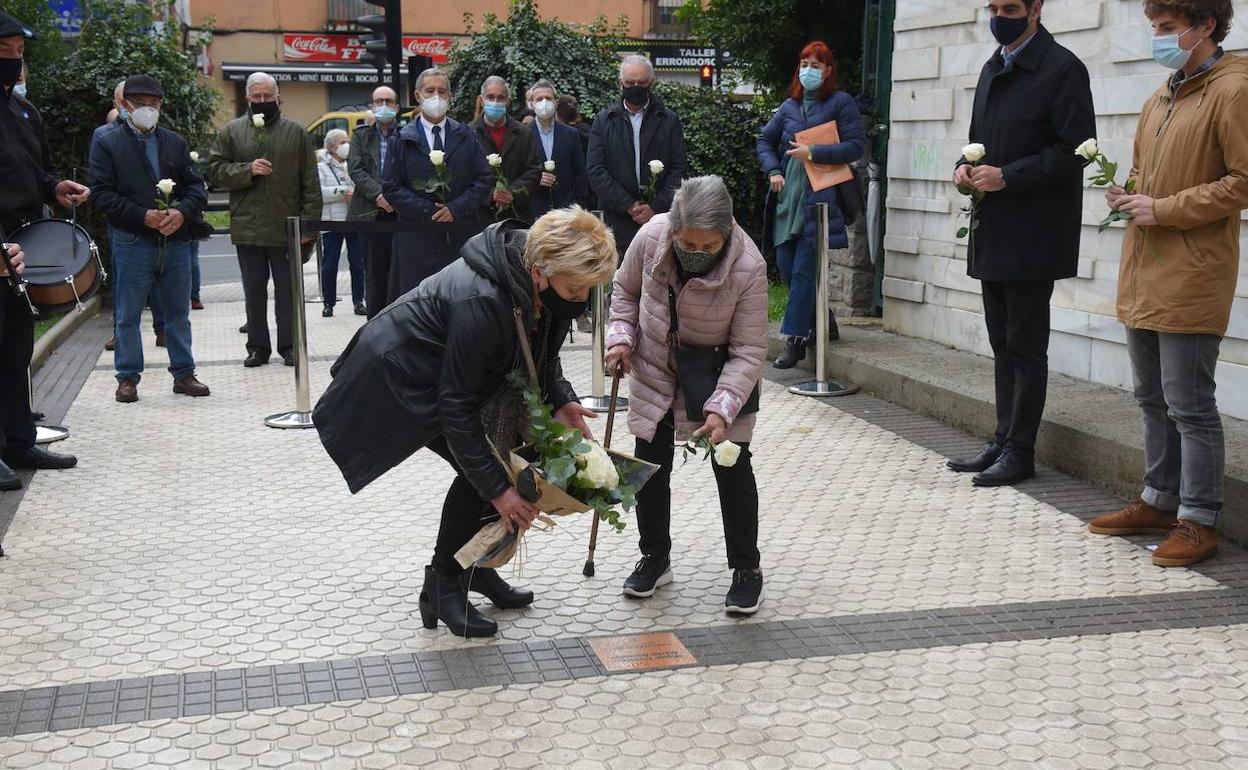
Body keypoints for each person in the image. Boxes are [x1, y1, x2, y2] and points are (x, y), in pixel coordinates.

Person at [313, 207, 615, 637]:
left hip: (445, 374)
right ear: (539, 271)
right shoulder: (484, 301)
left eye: (589, 290)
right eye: (574, 290)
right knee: (484, 474)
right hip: (401, 379)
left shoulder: (538, 281)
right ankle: (443, 585)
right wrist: (499, 492)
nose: (581, 300)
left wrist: (562, 399)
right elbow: (455, 408)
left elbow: (542, 349)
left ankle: (474, 567)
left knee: (494, 467)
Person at [1088, 0, 1247, 567]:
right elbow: (1146, 175)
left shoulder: (1234, 89)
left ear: (1205, 27)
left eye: (1166, 28)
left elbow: (1243, 181)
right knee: (1151, 397)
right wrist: (1127, 192)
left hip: (1193, 270)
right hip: (1144, 266)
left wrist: (1167, 208)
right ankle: (1159, 500)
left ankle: (1200, 521)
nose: (1156, 38)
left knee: (1190, 405)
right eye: (1154, 26)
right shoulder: (1161, 96)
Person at [944, 0, 1095, 488]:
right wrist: (964, 170)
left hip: (1034, 233)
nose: (998, 16)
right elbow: (978, 140)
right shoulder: (993, 65)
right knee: (1001, 342)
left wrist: (1008, 176)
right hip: (994, 228)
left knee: (1027, 346)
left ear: (1036, 9)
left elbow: (1075, 152)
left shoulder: (1063, 68)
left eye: (1009, 7)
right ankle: (1002, 437)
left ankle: (1020, 450)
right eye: (992, 7)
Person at [605, 176, 768, 614]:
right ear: (672, 230)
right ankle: (655, 558)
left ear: (727, 233)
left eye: (707, 247)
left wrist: (721, 408)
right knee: (648, 466)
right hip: (656, 364)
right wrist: (620, 338)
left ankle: (747, 569)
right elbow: (625, 292)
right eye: (686, 243)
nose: (694, 254)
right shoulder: (652, 234)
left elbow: (750, 350)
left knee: (733, 467)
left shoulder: (748, 265)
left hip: (719, 372)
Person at [0, 11, 85, 491]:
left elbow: (41, 172)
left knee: (15, 349)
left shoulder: (25, 112)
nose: (14, 61)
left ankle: (18, 440)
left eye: (19, 52)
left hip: (23, 244)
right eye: (4, 51)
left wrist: (57, 188)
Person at [89, 75, 210, 403]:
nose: (147, 110)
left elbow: (196, 187)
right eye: (140, 104)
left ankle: (184, 373)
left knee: (177, 312)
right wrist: (143, 215)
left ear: (161, 106)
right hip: (133, 239)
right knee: (128, 313)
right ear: (125, 106)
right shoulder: (108, 141)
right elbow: (101, 194)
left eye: (153, 104)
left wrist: (182, 212)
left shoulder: (174, 141)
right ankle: (127, 378)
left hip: (175, 239)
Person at [756, 41, 865, 370]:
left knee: (804, 270)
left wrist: (814, 153)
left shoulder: (841, 103)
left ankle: (794, 339)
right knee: (789, 268)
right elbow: (764, 140)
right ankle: (824, 320)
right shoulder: (789, 106)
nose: (809, 70)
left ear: (828, 70)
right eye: (805, 63)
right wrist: (773, 169)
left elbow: (855, 146)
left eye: (816, 65)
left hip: (821, 199)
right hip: (788, 200)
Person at [205, 71, 320, 368]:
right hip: (249, 228)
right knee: (254, 292)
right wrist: (247, 170)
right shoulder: (231, 131)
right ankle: (257, 347)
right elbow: (214, 171)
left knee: (288, 293)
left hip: (288, 227)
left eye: (268, 96)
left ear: (278, 96)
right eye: (257, 96)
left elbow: (310, 181)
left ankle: (290, 346)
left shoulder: (296, 132)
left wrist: (309, 226)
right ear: (247, 98)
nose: (263, 101)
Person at [382, 67, 492, 300]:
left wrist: (456, 208)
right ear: (417, 95)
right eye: (430, 90)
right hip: (417, 239)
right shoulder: (402, 138)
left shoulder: (466, 136)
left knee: (459, 302)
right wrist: (428, 210)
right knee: (417, 304)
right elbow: (391, 186)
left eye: (442, 91)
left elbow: (484, 179)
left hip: (459, 238)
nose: (436, 97)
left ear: (450, 97)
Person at [588, 55, 688, 259]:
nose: (636, 87)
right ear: (620, 84)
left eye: (642, 83)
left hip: (658, 218)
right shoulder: (604, 120)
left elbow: (678, 170)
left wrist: (655, 207)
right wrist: (628, 205)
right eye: (630, 82)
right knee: (617, 284)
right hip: (616, 219)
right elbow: (595, 170)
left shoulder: (669, 121)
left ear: (651, 83)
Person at [347, 86, 401, 319]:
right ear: (371, 106)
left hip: (401, 213)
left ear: (397, 107)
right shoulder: (361, 135)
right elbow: (356, 169)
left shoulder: (407, 134)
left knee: (399, 271)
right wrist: (379, 196)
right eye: (379, 101)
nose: (384, 106)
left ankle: (399, 320)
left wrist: (395, 198)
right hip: (370, 212)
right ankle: (375, 322)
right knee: (374, 272)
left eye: (389, 101)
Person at [471, 76, 542, 223]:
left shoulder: (524, 133)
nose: (495, 102)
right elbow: (464, 174)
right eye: (490, 97)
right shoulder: (468, 134)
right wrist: (491, 195)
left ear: (508, 101)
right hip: (480, 217)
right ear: (482, 99)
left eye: (500, 98)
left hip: (518, 216)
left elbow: (534, 170)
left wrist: (511, 193)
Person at [317, 129, 365, 317]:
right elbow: (320, 192)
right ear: (331, 147)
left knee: (358, 264)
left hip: (353, 219)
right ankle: (328, 303)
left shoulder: (353, 164)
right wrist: (342, 191)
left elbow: (362, 186)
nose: (346, 145)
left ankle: (359, 301)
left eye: (347, 141)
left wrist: (353, 193)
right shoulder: (321, 168)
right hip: (332, 222)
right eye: (342, 142)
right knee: (329, 265)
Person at [527, 79, 590, 218]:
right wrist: (535, 178)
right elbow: (517, 172)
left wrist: (580, 205)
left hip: (566, 211)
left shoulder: (571, 134)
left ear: (555, 103)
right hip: (533, 211)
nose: (544, 102)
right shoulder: (523, 135)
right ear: (532, 104)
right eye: (539, 99)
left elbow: (580, 173)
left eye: (548, 98)